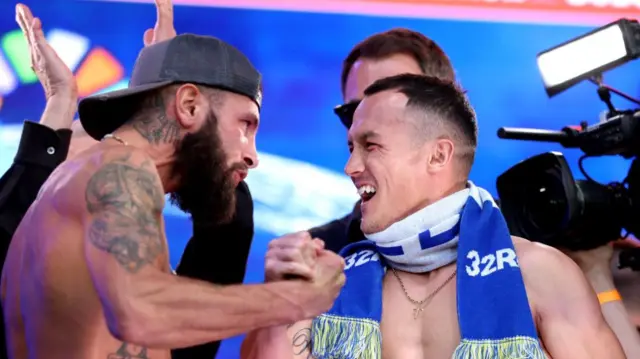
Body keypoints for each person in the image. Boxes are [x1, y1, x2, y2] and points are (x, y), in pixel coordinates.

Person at [1, 5, 346, 359]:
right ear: (190, 106)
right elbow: (141, 311)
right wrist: (298, 299)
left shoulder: (92, 179)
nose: (253, 155)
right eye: (246, 124)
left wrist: (160, 86)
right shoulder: (120, 171)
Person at [241, 74, 625, 359]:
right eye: (350, 147)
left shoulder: (540, 274)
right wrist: (281, 300)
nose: (350, 166)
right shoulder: (330, 281)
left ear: (438, 156)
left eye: (370, 146)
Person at [308, 28, 456, 253]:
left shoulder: (512, 236)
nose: (367, 129)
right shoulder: (318, 255)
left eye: (392, 110)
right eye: (354, 112)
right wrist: (287, 288)